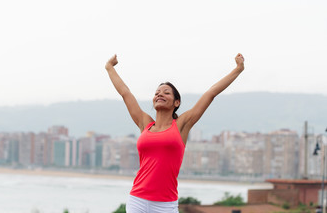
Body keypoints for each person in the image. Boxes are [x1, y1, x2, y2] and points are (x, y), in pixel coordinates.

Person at [105, 53, 245, 213]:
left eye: (166, 92)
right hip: (137, 200)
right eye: (157, 92)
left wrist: (238, 69)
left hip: (165, 204)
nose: (159, 94)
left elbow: (210, 94)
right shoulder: (145, 123)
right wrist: (109, 67)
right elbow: (125, 93)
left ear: (176, 102)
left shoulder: (181, 125)